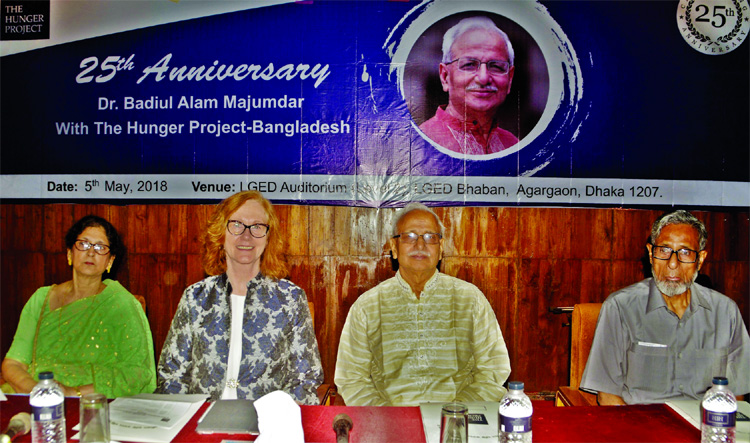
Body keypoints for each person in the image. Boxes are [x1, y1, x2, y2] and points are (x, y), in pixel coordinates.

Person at [334, 202, 511, 406]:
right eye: (409, 236)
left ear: (441, 248)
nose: (420, 246)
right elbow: (351, 379)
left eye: (430, 237)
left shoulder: (470, 299)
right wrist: (390, 418)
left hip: (459, 420)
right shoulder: (368, 306)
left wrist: (455, 413)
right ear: (394, 247)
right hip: (390, 422)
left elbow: (494, 370)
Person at [156, 191, 323, 404]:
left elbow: (304, 381)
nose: (247, 235)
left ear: (268, 237)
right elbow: (172, 376)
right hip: (202, 422)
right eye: (236, 224)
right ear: (220, 233)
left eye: (257, 227)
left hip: (265, 426)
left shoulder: (290, 300)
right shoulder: (195, 298)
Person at [580, 210, 750, 405]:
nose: (672, 263)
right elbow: (608, 395)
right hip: (641, 429)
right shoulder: (620, 307)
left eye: (685, 252)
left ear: (700, 259)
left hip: (704, 430)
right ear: (651, 254)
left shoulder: (725, 312)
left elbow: (736, 395)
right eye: (664, 250)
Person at [1, 215, 156, 398]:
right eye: (83, 244)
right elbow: (13, 363)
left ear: (110, 261)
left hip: (94, 402)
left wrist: (72, 392)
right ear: (69, 253)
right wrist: (39, 393)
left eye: (100, 247)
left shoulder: (121, 304)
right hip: (34, 396)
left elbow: (136, 374)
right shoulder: (40, 299)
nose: (91, 252)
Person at [419, 16, 518, 155]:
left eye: (496, 66)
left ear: (510, 79)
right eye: (469, 65)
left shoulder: (514, 146)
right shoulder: (420, 144)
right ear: (445, 76)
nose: (483, 78)